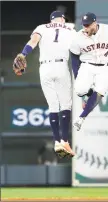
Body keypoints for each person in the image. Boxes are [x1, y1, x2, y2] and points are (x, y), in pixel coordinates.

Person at [13, 11, 76, 158]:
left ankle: (56, 142)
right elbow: (78, 49)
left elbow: (33, 42)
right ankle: (65, 141)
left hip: (45, 68)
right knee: (65, 106)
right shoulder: (70, 29)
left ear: (51, 19)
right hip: (61, 66)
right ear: (62, 19)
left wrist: (23, 54)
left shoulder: (42, 27)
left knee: (53, 106)